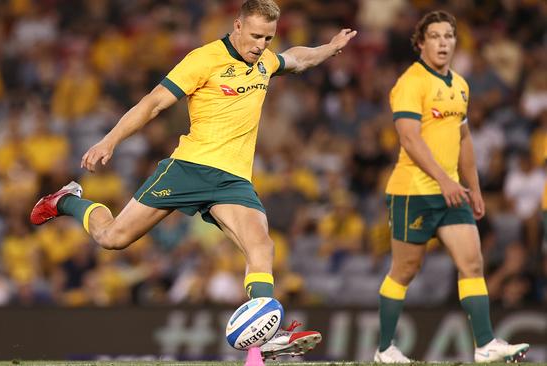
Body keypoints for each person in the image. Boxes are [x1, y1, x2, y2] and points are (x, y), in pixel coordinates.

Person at [30, 0, 357, 358]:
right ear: (237, 26)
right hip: (189, 168)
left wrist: (330, 48)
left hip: (232, 181)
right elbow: (153, 103)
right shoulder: (203, 59)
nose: (261, 45)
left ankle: (268, 336)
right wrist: (110, 140)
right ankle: (66, 199)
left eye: (268, 38)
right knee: (113, 238)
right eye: (255, 36)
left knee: (262, 245)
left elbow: (298, 59)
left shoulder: (264, 60)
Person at [374, 10, 529, 363]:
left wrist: (473, 187)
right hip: (413, 191)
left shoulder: (460, 84)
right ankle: (384, 349)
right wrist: (444, 180)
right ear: (420, 43)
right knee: (405, 270)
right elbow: (410, 140)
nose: (443, 43)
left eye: (449, 36)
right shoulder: (410, 83)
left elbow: (464, 139)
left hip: (452, 193)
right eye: (435, 36)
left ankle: (485, 344)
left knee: (472, 263)